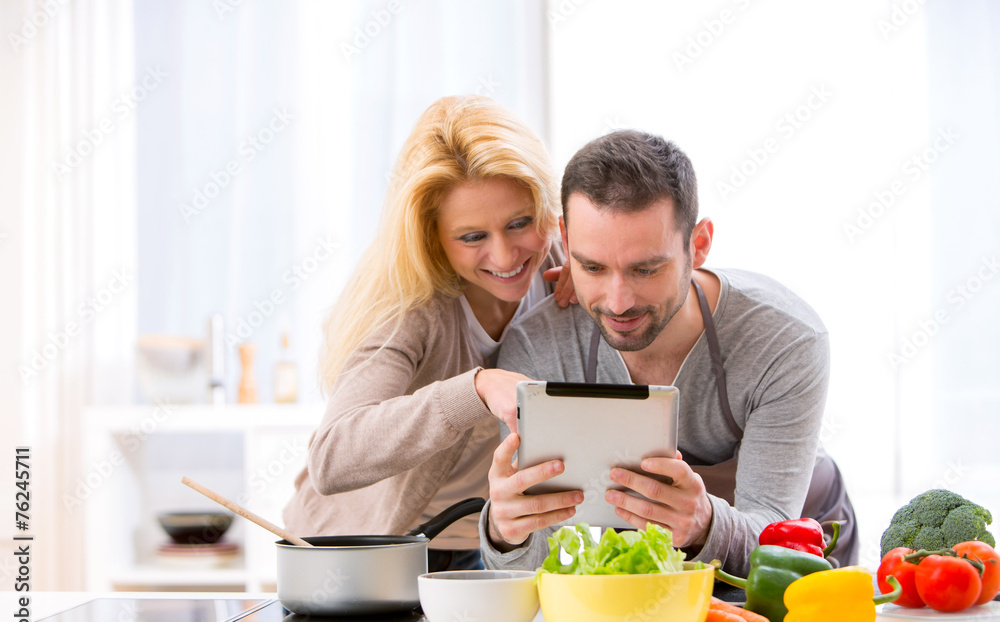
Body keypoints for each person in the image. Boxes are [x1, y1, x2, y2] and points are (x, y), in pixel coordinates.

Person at [479, 130, 858, 579]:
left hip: (800, 548)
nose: (617, 302)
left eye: (645, 269)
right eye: (593, 267)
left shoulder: (784, 338)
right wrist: (506, 532)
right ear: (565, 237)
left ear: (697, 246)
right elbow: (539, 566)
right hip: (648, 569)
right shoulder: (538, 345)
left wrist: (703, 523)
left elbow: (772, 530)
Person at [283, 95, 572, 572]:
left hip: (497, 547)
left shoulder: (561, 263)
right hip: (368, 558)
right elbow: (332, 457)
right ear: (431, 236)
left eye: (520, 223)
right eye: (472, 237)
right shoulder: (411, 311)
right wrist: (474, 389)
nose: (505, 257)